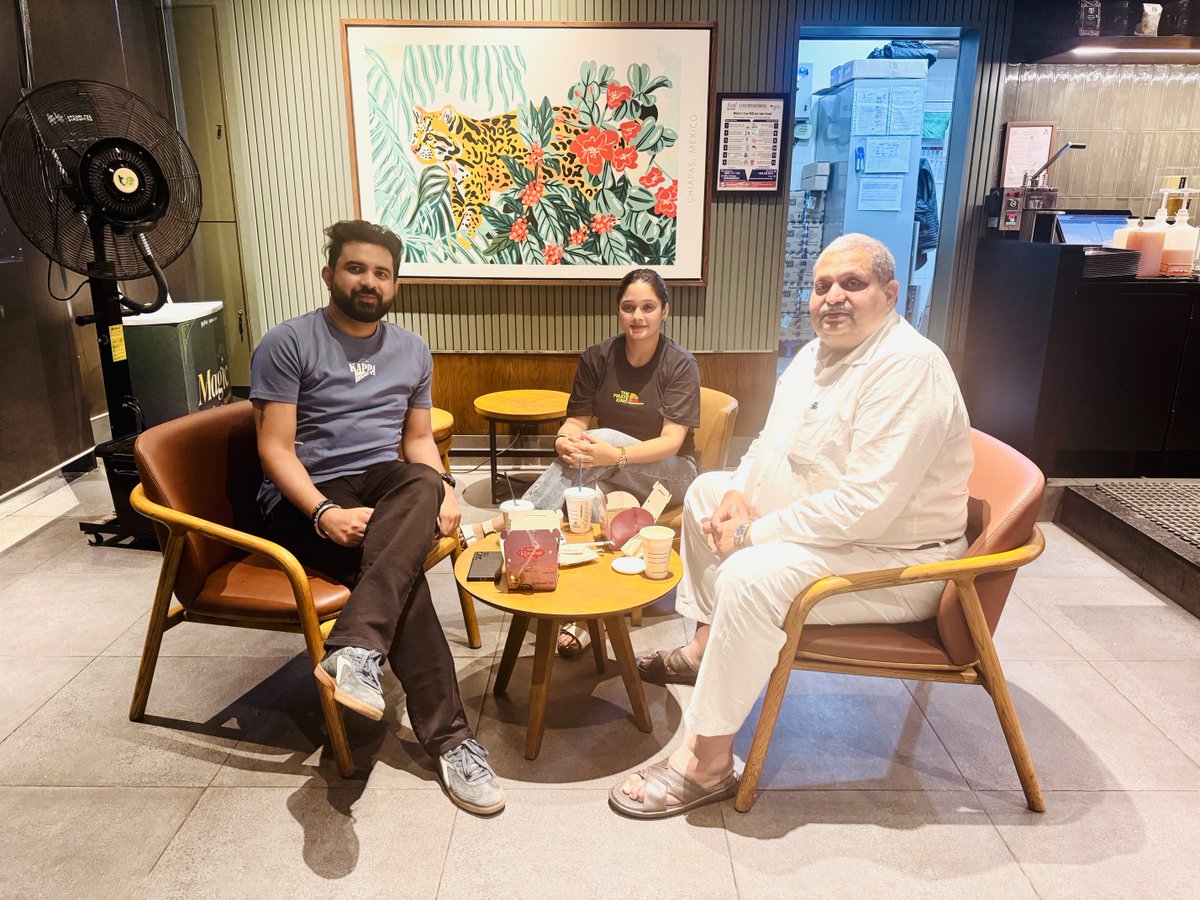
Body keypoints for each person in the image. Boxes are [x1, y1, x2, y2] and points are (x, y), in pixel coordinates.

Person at [610, 233, 973, 818]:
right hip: (834, 536)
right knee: (704, 492)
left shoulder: (907, 367)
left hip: (894, 560)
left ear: (890, 292)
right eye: (822, 285)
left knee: (750, 576)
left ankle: (707, 763)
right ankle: (706, 647)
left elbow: (867, 506)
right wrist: (736, 493)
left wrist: (754, 533)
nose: (833, 297)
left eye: (852, 284)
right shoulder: (813, 356)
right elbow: (766, 446)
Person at [251, 219, 504, 816]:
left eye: (381, 273)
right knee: (404, 578)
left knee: (422, 481)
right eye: (356, 268)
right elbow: (274, 449)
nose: (369, 281)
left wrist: (444, 492)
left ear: (395, 284)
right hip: (304, 495)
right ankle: (452, 739)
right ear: (330, 274)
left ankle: (357, 648)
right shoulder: (288, 343)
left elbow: (418, 443)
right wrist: (323, 513)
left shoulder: (412, 349)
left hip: (381, 485)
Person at [460, 268, 701, 658]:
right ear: (618, 311)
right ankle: (581, 611)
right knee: (584, 498)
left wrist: (614, 454)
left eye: (647, 307)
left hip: (669, 473)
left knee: (599, 442)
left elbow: (671, 442)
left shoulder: (679, 364)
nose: (637, 317)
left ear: (664, 312)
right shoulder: (598, 357)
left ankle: (505, 524)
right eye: (628, 307)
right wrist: (563, 441)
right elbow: (576, 422)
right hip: (609, 465)